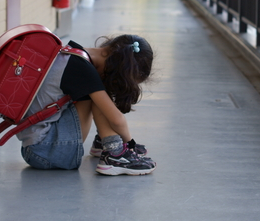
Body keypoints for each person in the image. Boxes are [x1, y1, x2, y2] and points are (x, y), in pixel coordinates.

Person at [16, 34, 156, 176]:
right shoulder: (84, 70)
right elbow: (117, 120)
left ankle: (104, 141)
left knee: (96, 92)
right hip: (45, 151)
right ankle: (115, 154)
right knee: (97, 95)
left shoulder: (72, 53)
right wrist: (130, 144)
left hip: (36, 146)